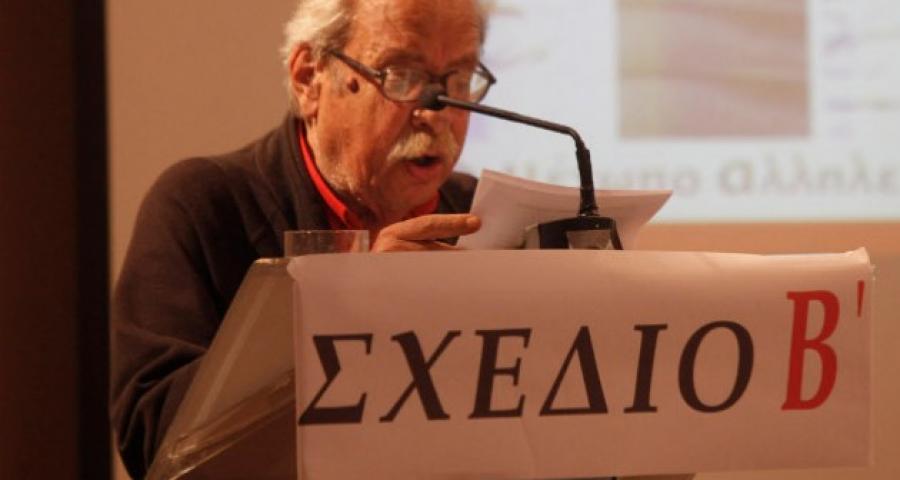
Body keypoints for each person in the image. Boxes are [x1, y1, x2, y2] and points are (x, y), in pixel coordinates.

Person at [110, 0, 491, 477]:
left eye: (458, 79)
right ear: (309, 78)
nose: (437, 112)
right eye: (401, 75)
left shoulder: (480, 216)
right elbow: (153, 439)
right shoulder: (203, 206)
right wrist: (349, 308)